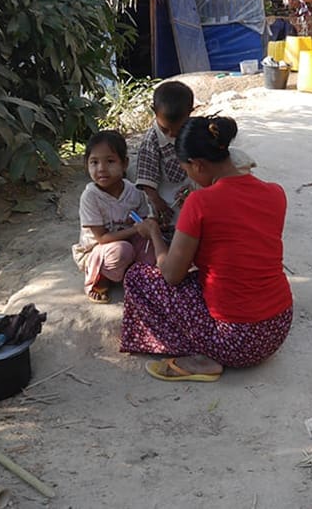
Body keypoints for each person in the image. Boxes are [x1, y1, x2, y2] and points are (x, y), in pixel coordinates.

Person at [120, 116, 292, 382]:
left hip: (238, 341)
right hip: (279, 325)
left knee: (137, 278)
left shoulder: (200, 202)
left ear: (198, 165)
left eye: (187, 170)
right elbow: (240, 248)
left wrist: (154, 233)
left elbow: (171, 275)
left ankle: (204, 356)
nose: (189, 177)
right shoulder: (276, 193)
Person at [71, 130, 155, 303]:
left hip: (128, 242)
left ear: (124, 164)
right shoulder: (91, 196)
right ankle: (100, 277)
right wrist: (135, 229)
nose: (101, 169)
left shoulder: (133, 191)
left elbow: (143, 221)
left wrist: (150, 225)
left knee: (152, 242)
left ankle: (135, 274)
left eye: (110, 161)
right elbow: (101, 238)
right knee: (121, 251)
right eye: (94, 162)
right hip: (97, 250)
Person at [135, 80, 194, 229]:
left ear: (190, 113)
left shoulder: (193, 130)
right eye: (166, 129)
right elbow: (146, 178)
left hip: (193, 192)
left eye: (178, 129)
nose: (172, 134)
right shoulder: (151, 141)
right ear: (154, 111)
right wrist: (157, 202)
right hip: (166, 202)